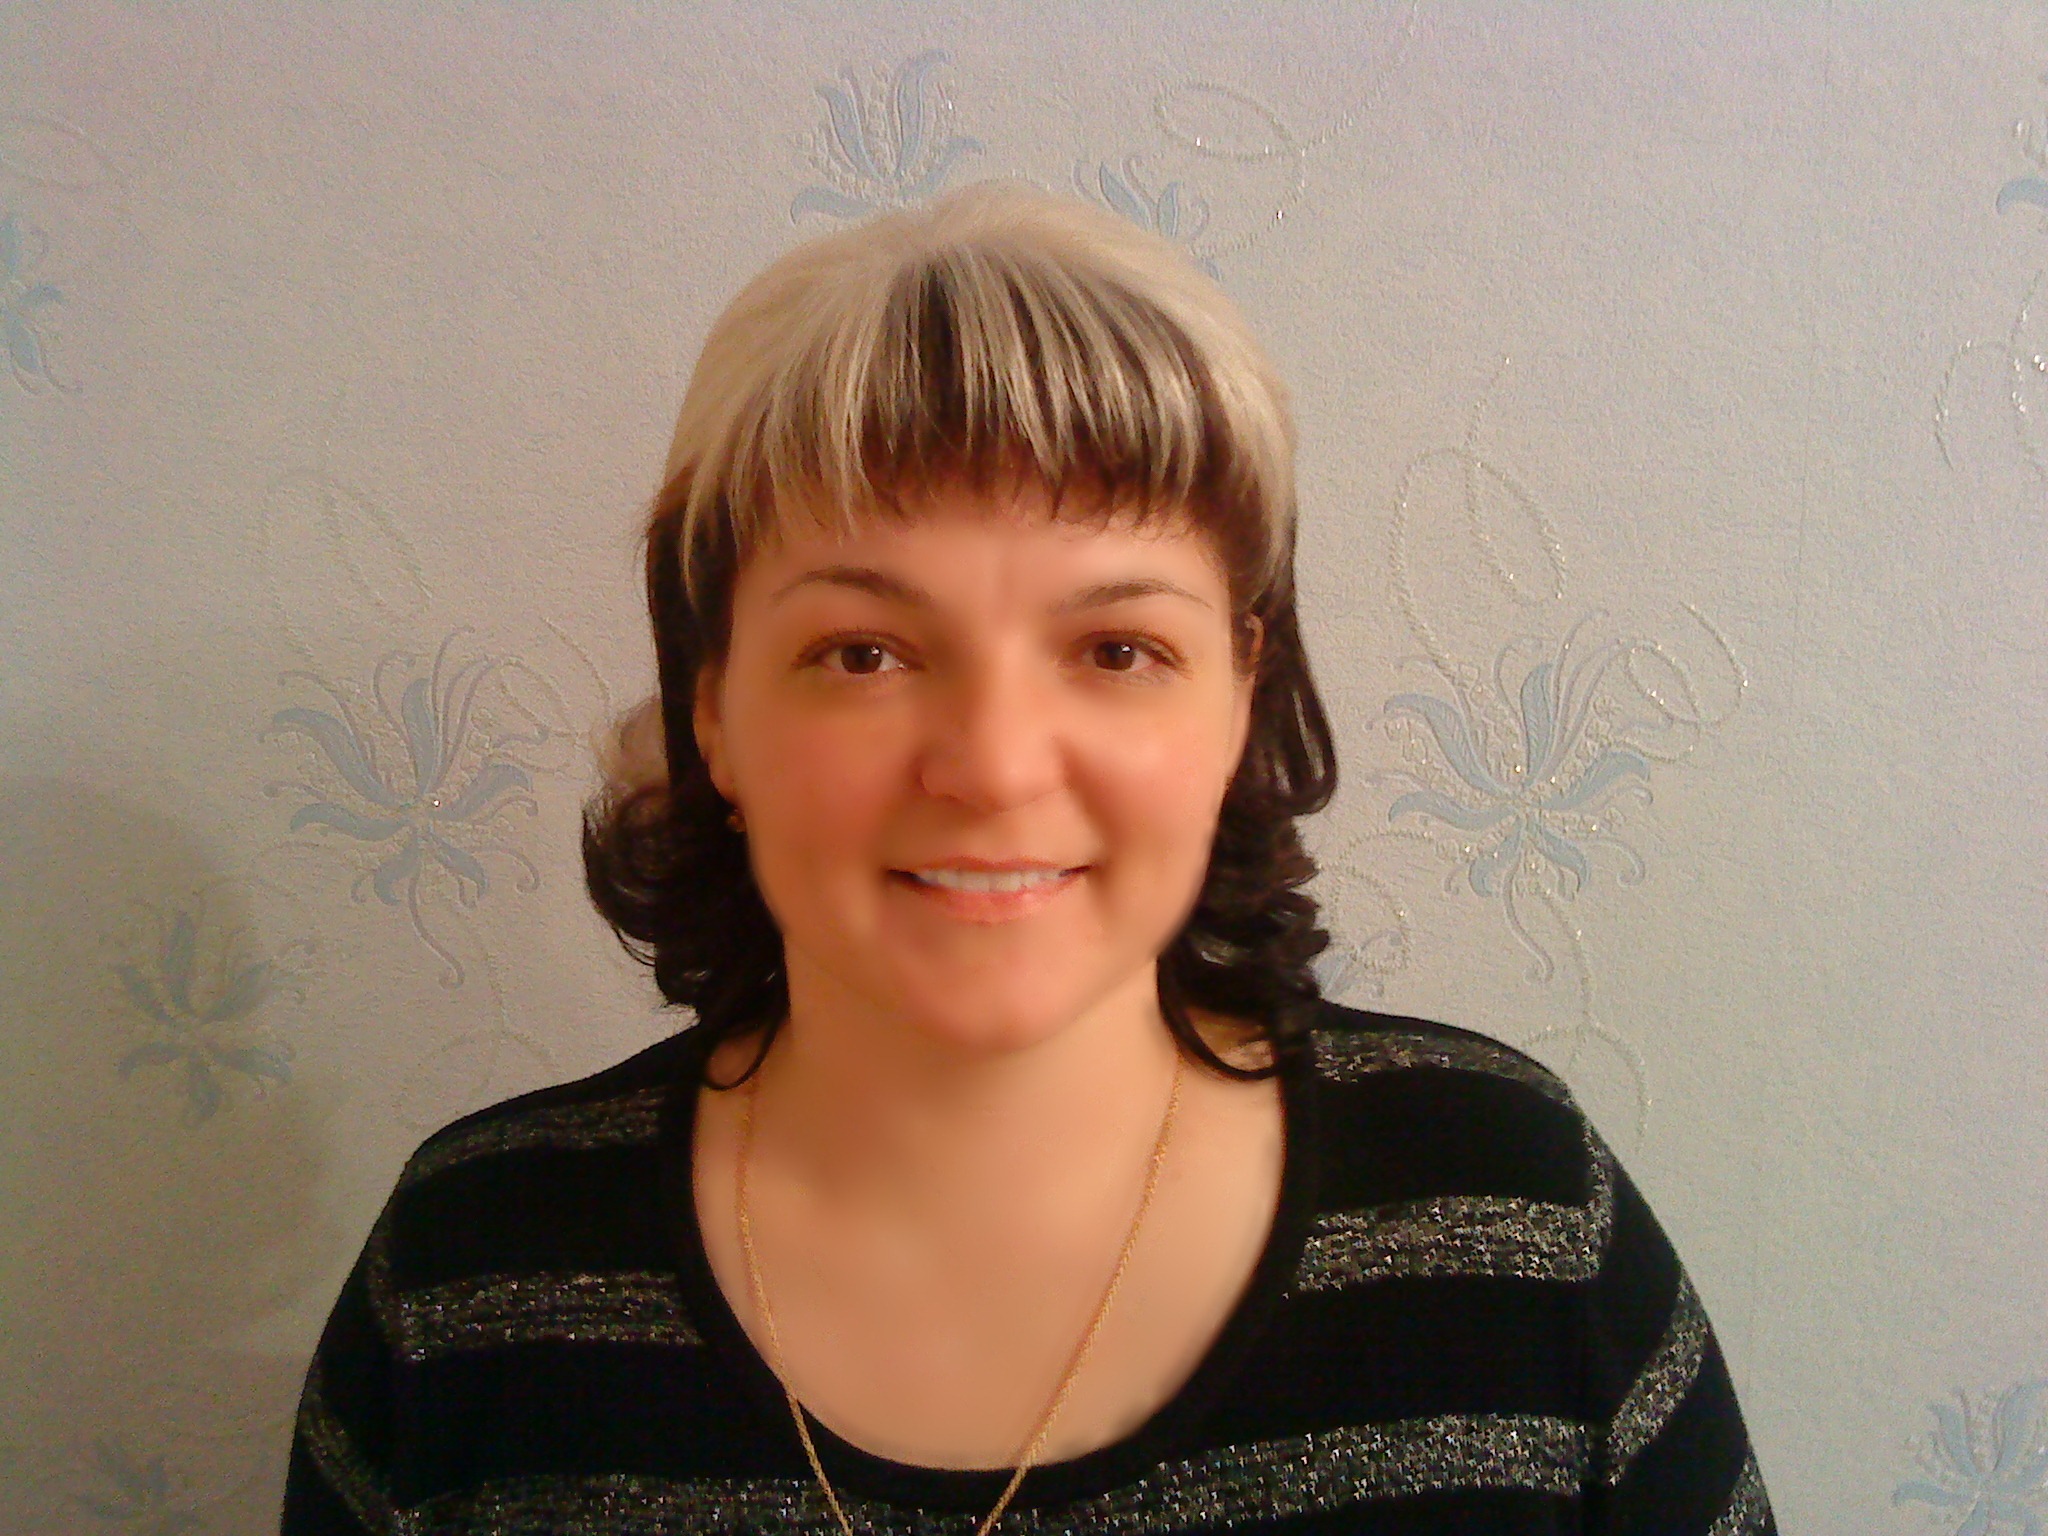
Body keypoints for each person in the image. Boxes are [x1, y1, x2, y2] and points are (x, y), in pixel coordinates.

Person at [281, 181, 1774, 1534]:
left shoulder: (1514, 1222)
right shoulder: (471, 1281)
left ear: (1239, 693)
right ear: (712, 705)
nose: (994, 766)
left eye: (1116, 648)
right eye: (863, 652)